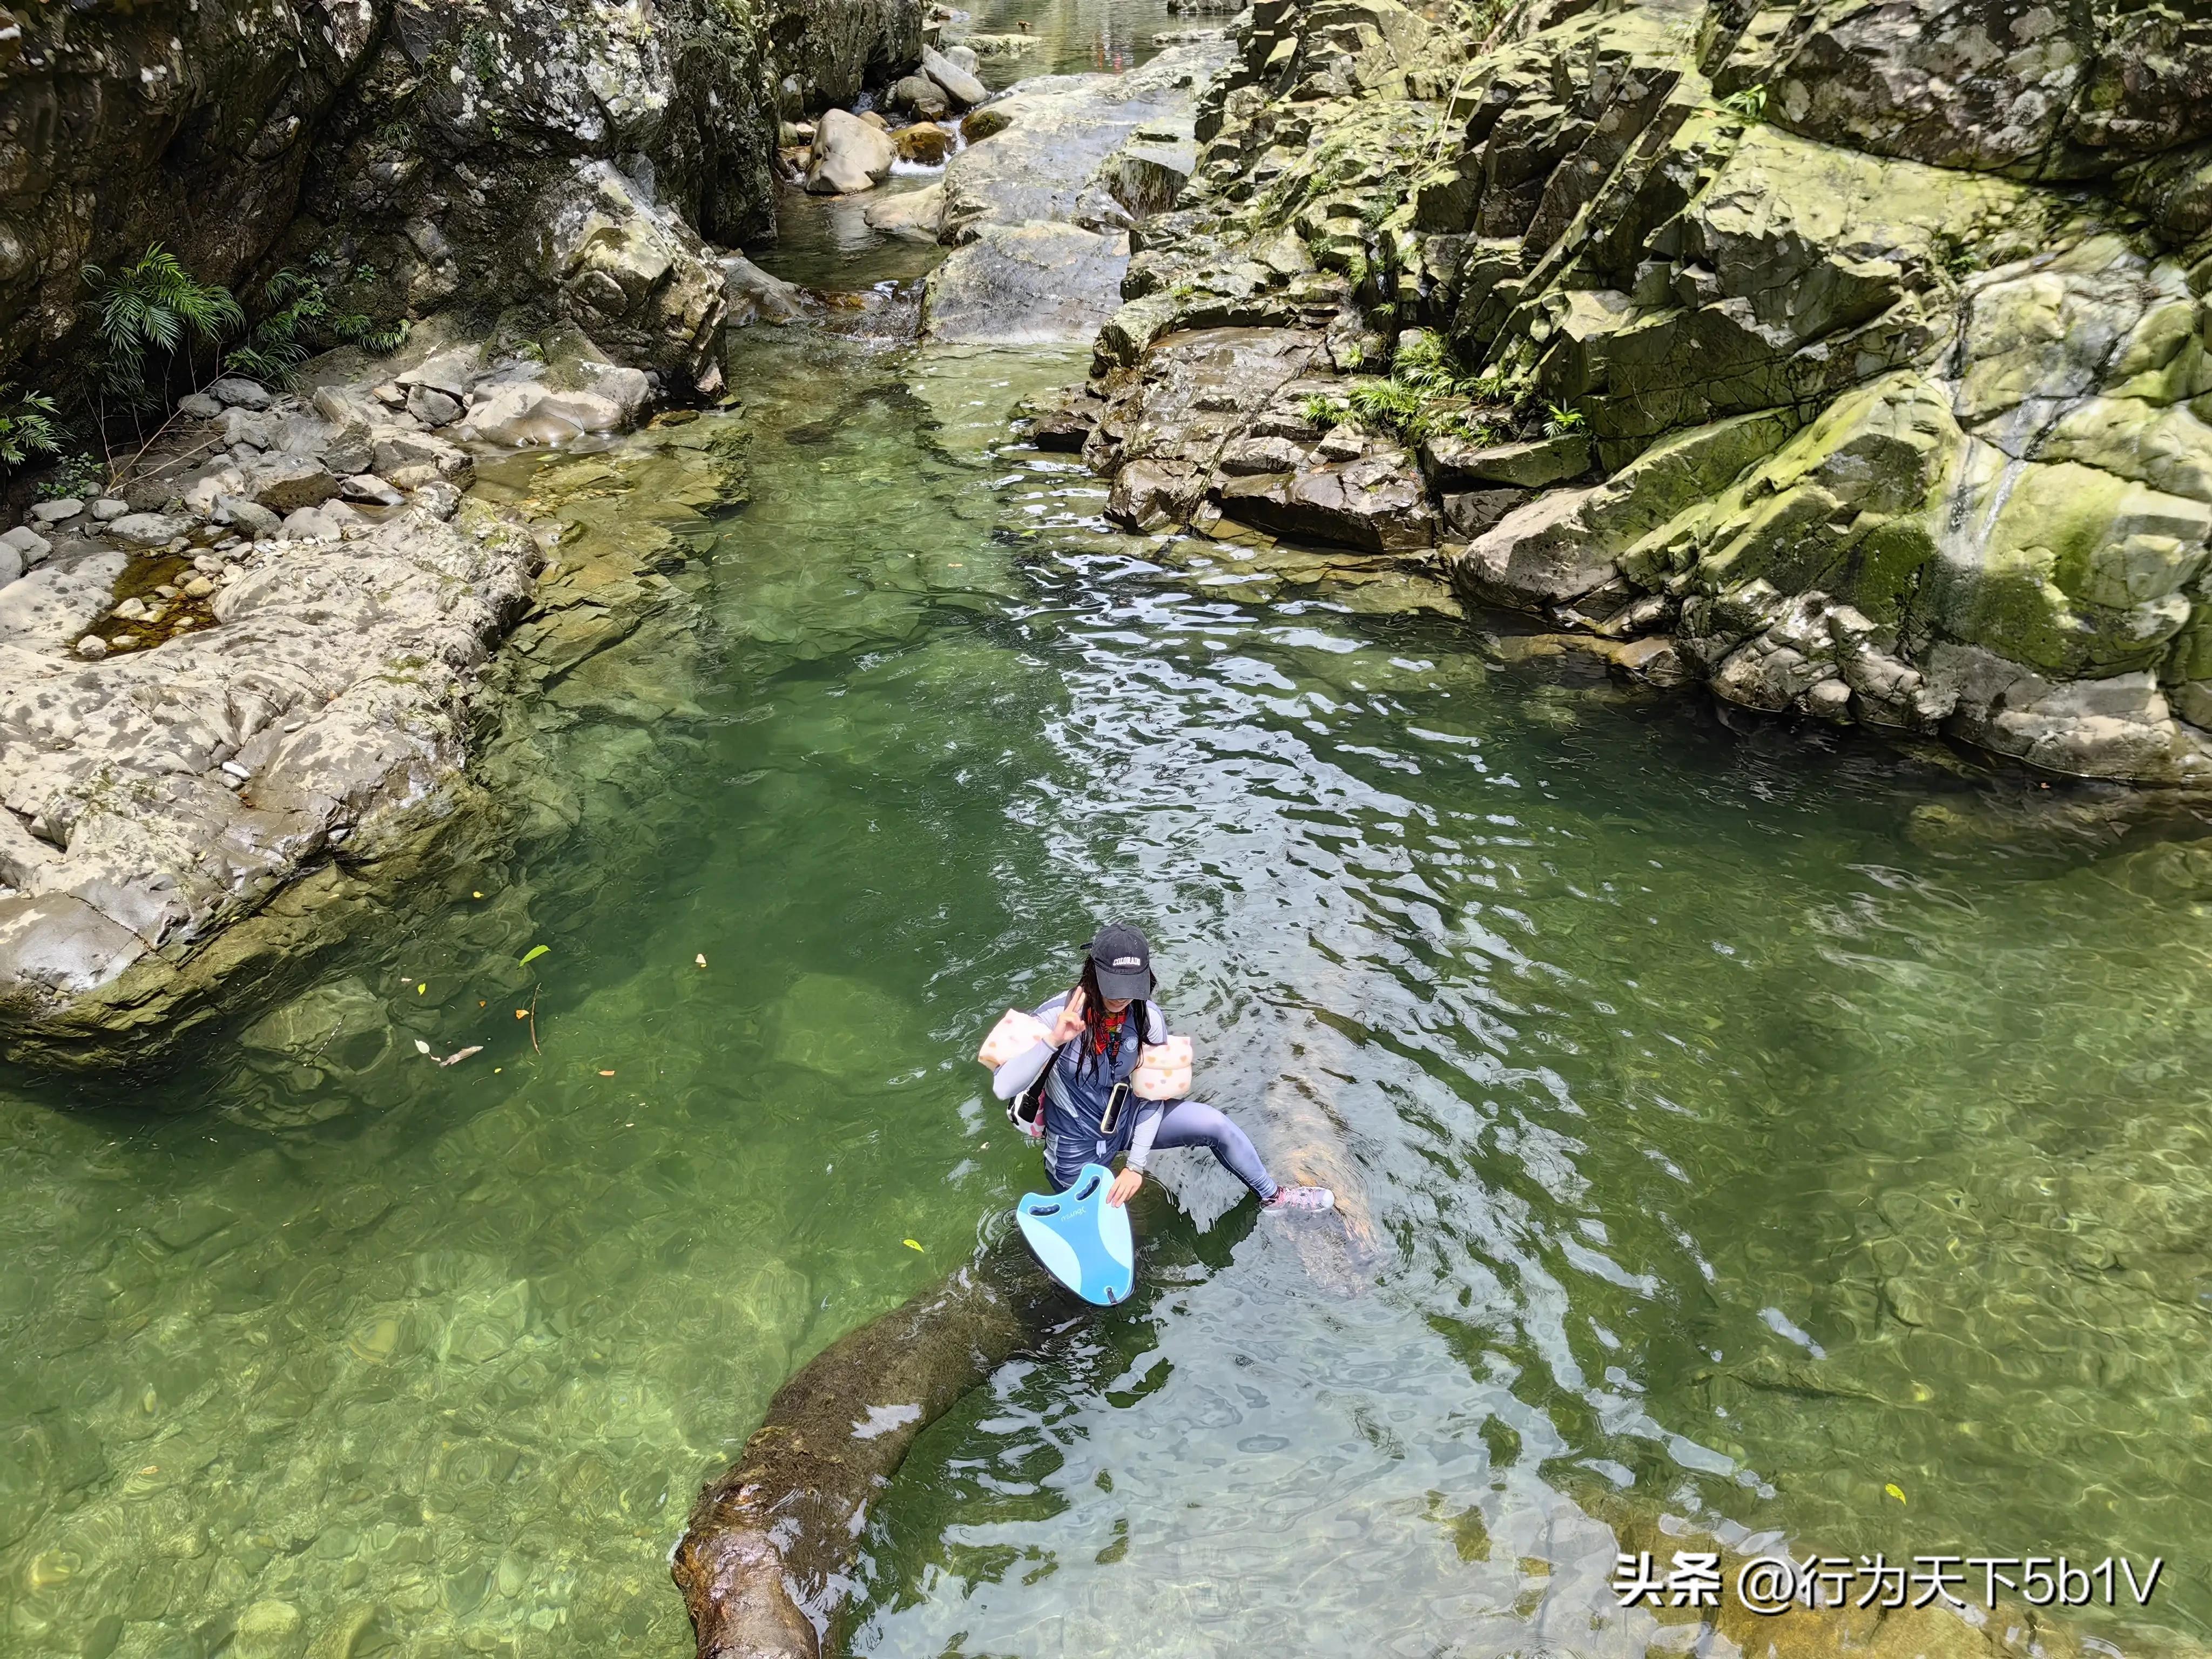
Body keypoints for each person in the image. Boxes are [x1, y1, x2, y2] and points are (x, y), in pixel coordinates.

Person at [991, 923, 1336, 1212]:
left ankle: (1273, 1198)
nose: (1123, 998)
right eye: (1114, 988)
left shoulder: (1147, 1017)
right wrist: (1053, 1040)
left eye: (1131, 988)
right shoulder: (1055, 1015)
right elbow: (1002, 1088)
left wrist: (1136, 1166)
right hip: (1074, 1144)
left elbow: (1152, 1095)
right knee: (1109, 1235)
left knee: (1216, 1125)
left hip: (1127, 1122)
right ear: (1093, 972)